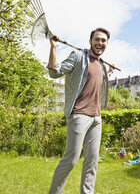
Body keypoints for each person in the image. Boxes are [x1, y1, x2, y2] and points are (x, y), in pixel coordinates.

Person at [48, 28, 113, 194]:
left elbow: (96, 83)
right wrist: (53, 47)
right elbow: (54, 72)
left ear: (107, 43)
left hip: (96, 118)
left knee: (92, 162)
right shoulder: (78, 56)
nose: (100, 43)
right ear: (90, 41)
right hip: (79, 115)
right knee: (71, 160)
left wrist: (109, 73)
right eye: (97, 39)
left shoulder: (102, 65)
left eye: (103, 40)